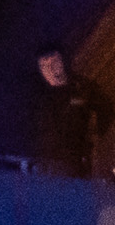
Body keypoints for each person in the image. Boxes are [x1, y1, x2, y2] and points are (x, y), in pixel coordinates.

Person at [30, 45, 110, 177]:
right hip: (46, 164)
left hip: (75, 162)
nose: (51, 69)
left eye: (54, 62)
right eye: (44, 66)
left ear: (62, 61)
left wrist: (95, 136)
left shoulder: (83, 88)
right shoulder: (38, 96)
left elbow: (106, 110)